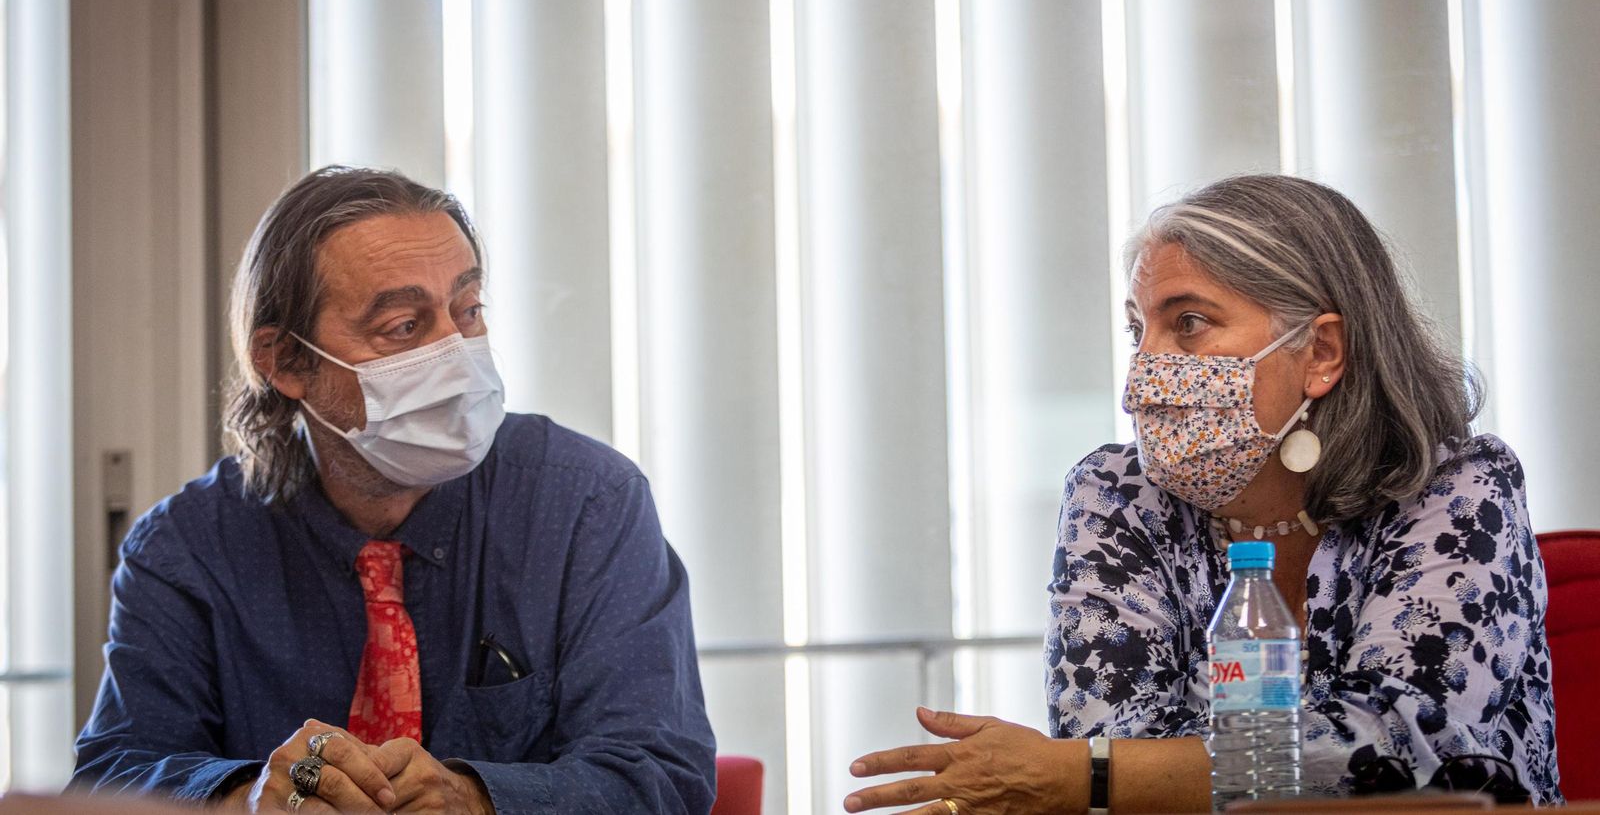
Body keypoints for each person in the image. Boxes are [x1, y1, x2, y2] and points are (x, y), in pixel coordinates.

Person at [844, 175, 1560, 812]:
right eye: (1138, 329)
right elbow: (1109, 736)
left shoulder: (1457, 487)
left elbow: (1399, 748)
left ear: (1321, 353)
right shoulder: (1118, 495)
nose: (1142, 374)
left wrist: (1092, 777)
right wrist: (1104, 773)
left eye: (1188, 323)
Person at [71, 167, 717, 813]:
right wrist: (245, 797)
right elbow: (112, 777)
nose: (456, 356)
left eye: (468, 311)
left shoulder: (589, 507)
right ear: (285, 360)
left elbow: (661, 772)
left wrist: (474, 799)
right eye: (405, 327)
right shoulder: (185, 551)